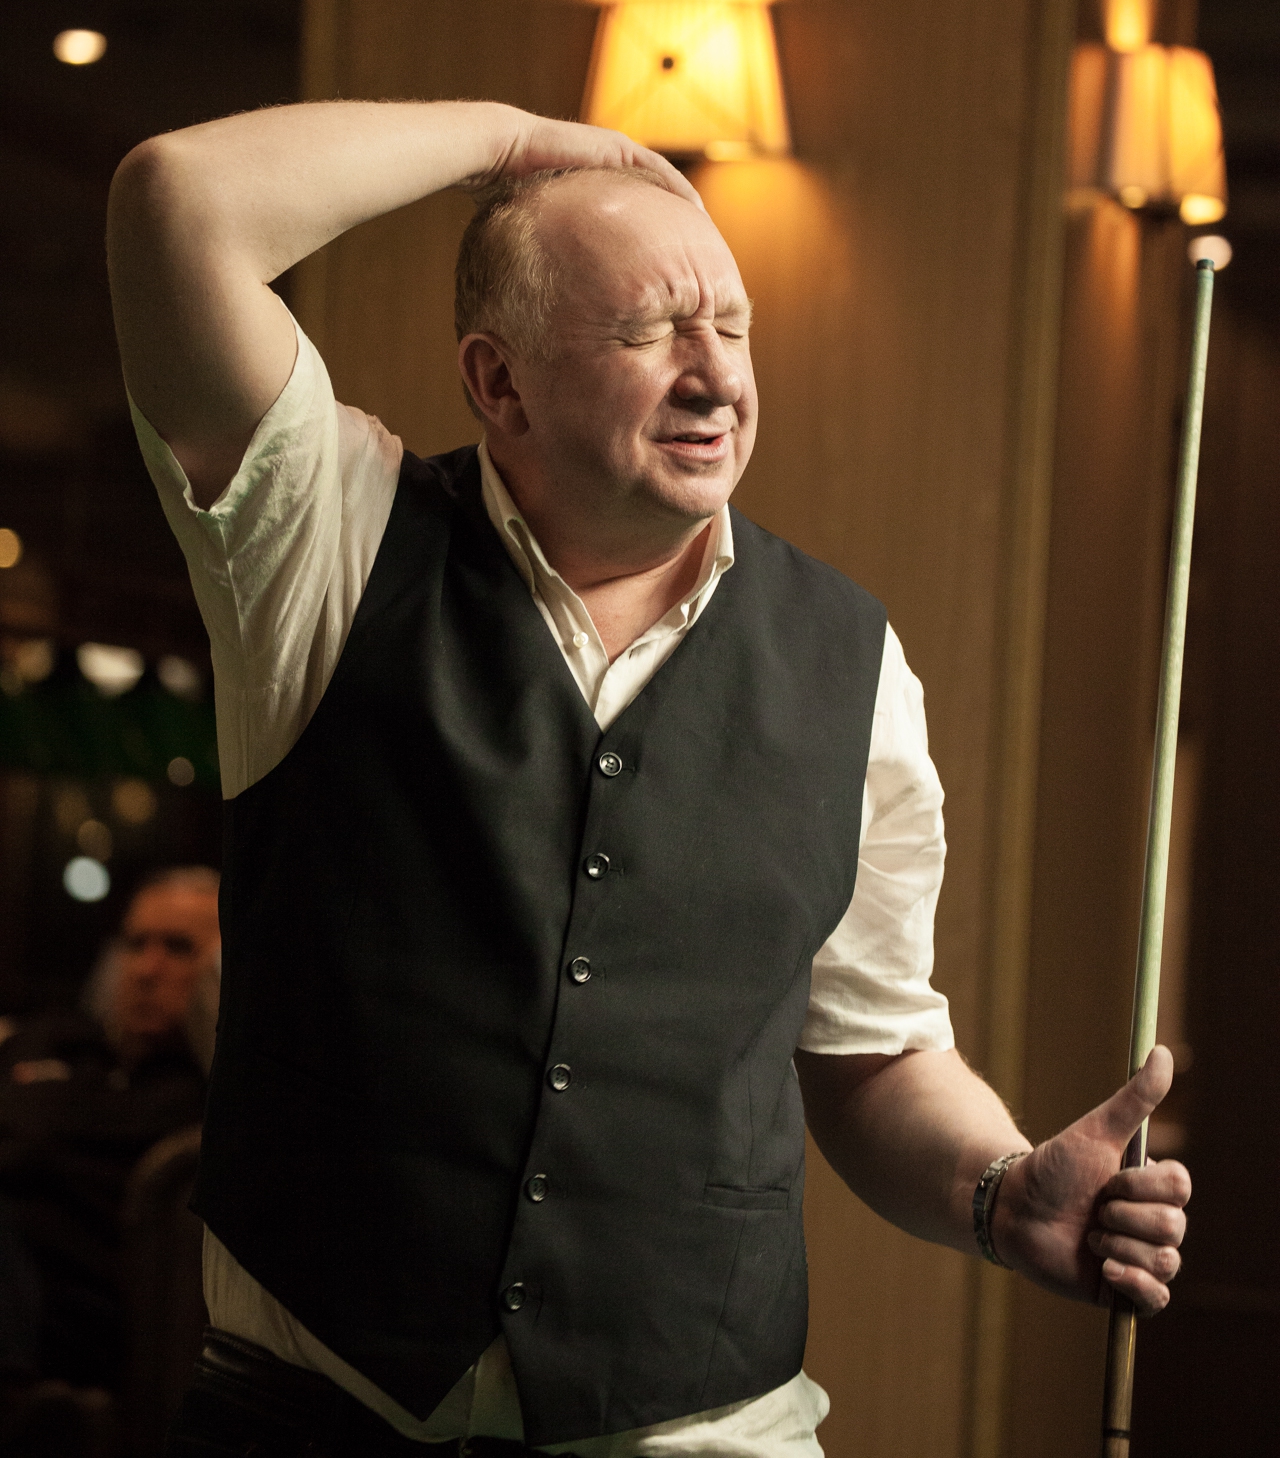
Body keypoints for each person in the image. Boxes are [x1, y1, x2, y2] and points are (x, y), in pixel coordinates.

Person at [106, 103, 1191, 1458]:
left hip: (700, 1433)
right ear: (498, 383)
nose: (716, 376)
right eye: (650, 331)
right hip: (313, 1421)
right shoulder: (328, 537)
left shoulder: (851, 662)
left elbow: (872, 1054)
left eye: (732, 327)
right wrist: (514, 140)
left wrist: (999, 1190)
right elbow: (178, 199)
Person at [0, 868, 219, 1447]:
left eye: (179, 948)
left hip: (82, 1305)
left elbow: (35, 1139)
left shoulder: (207, 1096)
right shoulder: (55, 1040)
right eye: (135, 944)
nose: (146, 969)